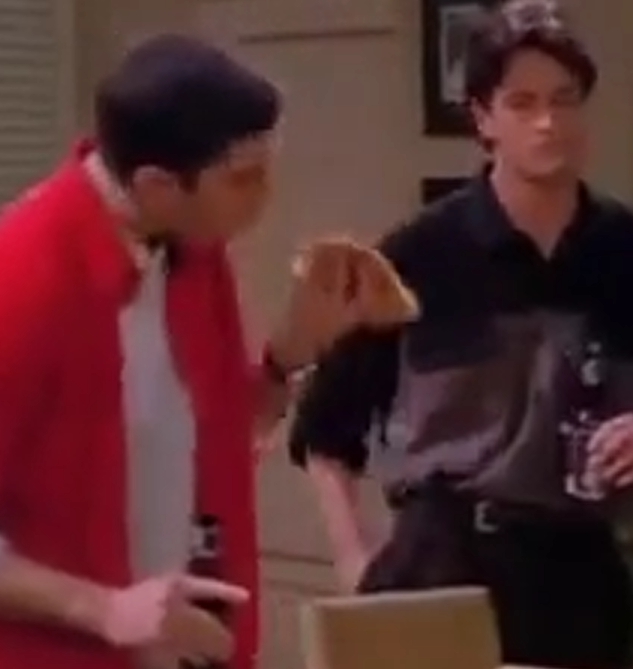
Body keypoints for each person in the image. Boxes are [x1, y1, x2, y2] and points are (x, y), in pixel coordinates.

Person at [288, 1, 633, 668]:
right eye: (522, 103)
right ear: (483, 118)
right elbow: (324, 430)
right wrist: (355, 561)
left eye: (564, 100)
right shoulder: (419, 255)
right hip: (442, 559)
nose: (547, 122)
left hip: (580, 570)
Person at [0, 35, 387, 669]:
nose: (266, 195)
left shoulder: (192, 251)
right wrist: (103, 608)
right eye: (244, 178)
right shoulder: (21, 276)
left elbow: (219, 441)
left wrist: (293, 350)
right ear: (156, 185)